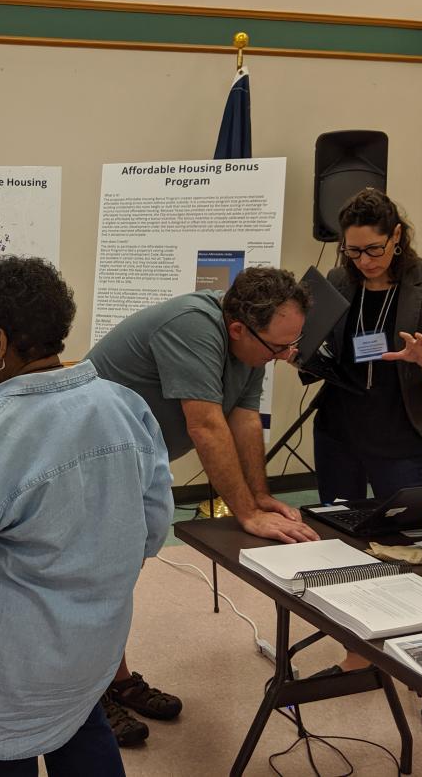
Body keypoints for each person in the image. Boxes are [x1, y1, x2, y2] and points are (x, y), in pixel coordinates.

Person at [0, 256, 173, 777]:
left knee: (7, 754)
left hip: (5, 672)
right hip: (94, 649)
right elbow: (152, 532)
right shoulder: (126, 406)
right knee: (82, 725)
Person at [86, 266, 318, 745]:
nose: (283, 356)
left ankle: (117, 679)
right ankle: (91, 696)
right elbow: (206, 425)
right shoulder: (193, 325)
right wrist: (247, 516)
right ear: (238, 328)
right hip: (91, 460)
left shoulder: (249, 346)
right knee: (94, 580)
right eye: (278, 347)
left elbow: (245, 419)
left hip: (135, 460)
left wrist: (258, 497)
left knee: (119, 575)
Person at [304, 187, 422, 760]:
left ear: (397, 235)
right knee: (345, 548)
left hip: (402, 436)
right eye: (352, 252)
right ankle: (357, 654)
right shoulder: (338, 281)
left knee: (417, 555)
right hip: (339, 432)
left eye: (373, 250)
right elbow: (315, 350)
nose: (363, 261)